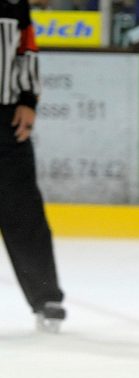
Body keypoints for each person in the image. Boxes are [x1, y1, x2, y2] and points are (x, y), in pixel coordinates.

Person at [0, 0, 66, 332]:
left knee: (22, 209)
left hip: (6, 114)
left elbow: (26, 47)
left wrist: (28, 99)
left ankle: (45, 298)